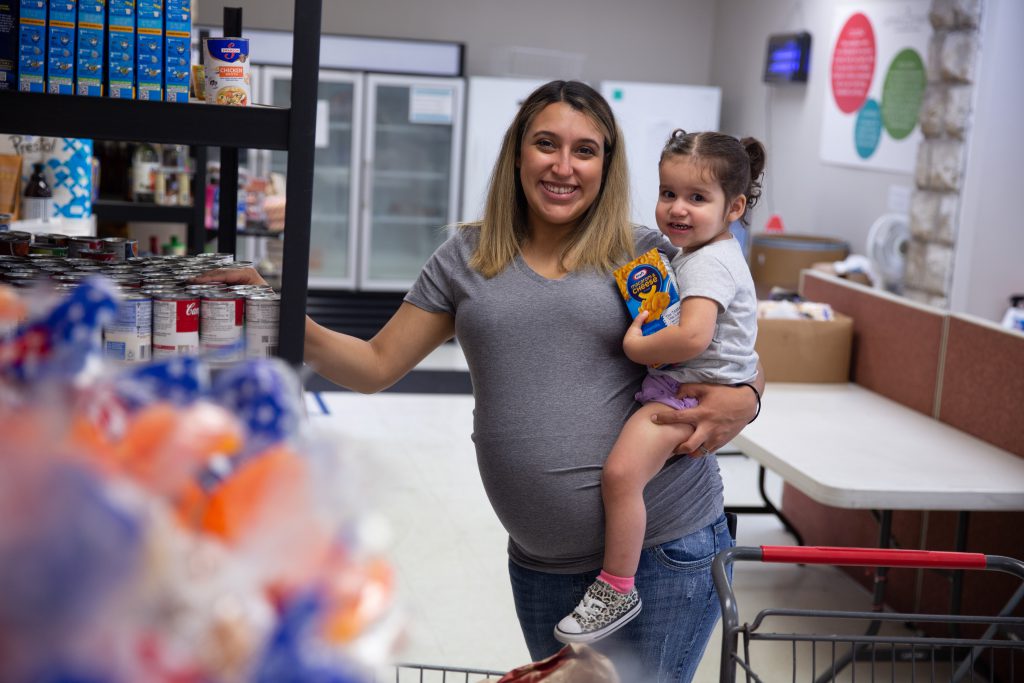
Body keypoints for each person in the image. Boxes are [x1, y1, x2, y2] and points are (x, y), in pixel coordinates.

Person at [194, 81, 763, 682]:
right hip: (540, 561)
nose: (563, 167)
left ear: (607, 163)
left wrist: (747, 399)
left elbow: (723, 344)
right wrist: (277, 309)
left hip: (660, 549)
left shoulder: (642, 253)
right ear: (518, 152)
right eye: (546, 144)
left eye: (585, 150)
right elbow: (374, 365)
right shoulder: (467, 255)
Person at [554, 130, 764, 646]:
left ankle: (616, 587)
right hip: (692, 385)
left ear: (734, 206)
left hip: (688, 395)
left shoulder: (711, 261)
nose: (678, 209)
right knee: (625, 473)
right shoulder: (698, 253)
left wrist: (635, 344)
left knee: (623, 474)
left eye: (698, 198)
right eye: (669, 193)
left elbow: (692, 336)